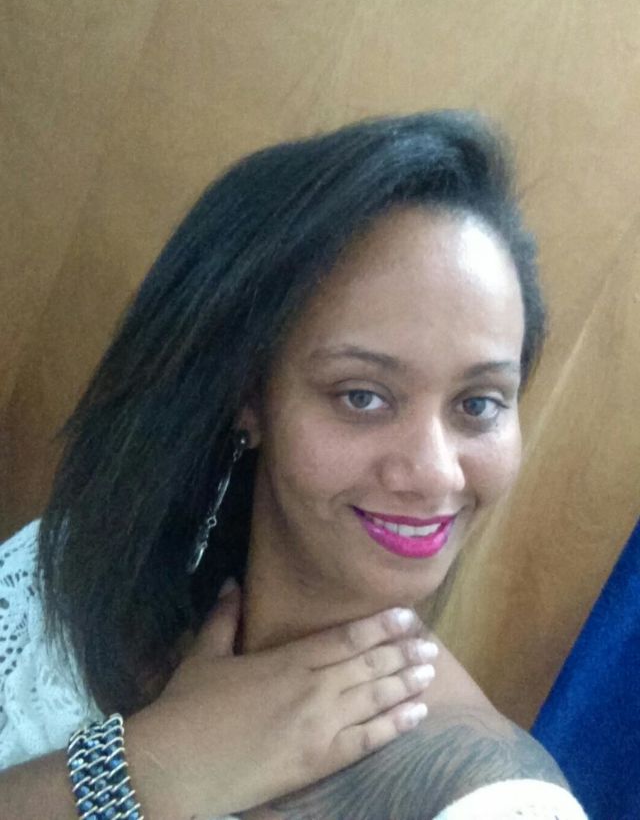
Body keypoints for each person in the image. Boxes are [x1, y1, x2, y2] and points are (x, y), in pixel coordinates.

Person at [0, 111, 588, 819]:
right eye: (363, 396)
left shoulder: (490, 798)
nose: (436, 473)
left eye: (479, 404)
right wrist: (155, 760)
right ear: (250, 395)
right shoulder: (67, 574)